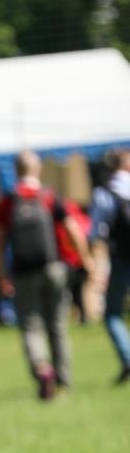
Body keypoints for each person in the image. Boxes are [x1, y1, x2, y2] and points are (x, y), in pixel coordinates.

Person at [0, 150, 93, 399]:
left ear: (15, 171)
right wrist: (85, 259)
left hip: (24, 272)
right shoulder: (49, 197)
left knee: (30, 326)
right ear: (38, 169)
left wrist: (2, 274)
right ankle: (64, 382)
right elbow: (73, 230)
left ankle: (41, 368)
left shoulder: (7, 201)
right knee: (58, 326)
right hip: (53, 267)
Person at [89, 147, 130, 384]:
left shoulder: (104, 193)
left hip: (122, 258)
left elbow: (96, 231)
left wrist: (95, 262)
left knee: (113, 313)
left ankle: (127, 358)